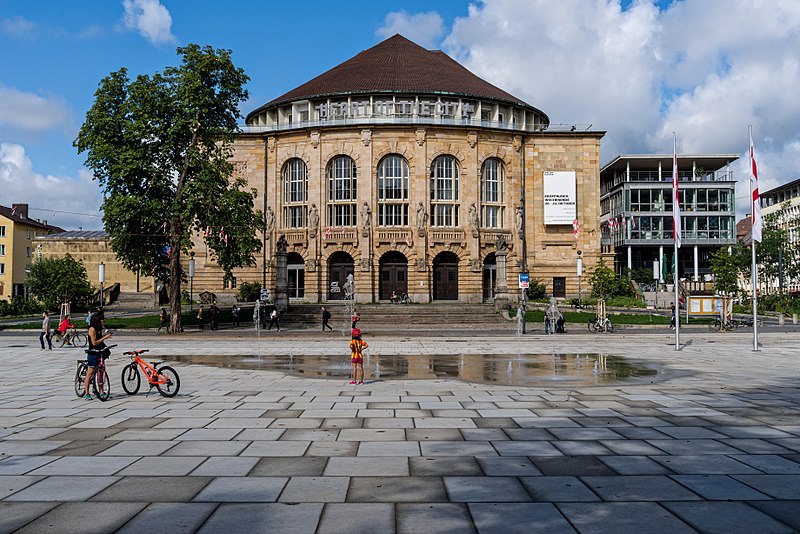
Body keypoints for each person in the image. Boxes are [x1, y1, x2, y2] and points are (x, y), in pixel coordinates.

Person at [83, 313, 112, 400]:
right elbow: (94, 343)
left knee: (101, 372)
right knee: (90, 373)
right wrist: (105, 338)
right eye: (102, 320)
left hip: (100, 352)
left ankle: (101, 391)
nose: (104, 321)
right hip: (93, 353)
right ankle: (87, 393)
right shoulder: (92, 329)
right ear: (98, 321)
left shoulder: (100, 328)